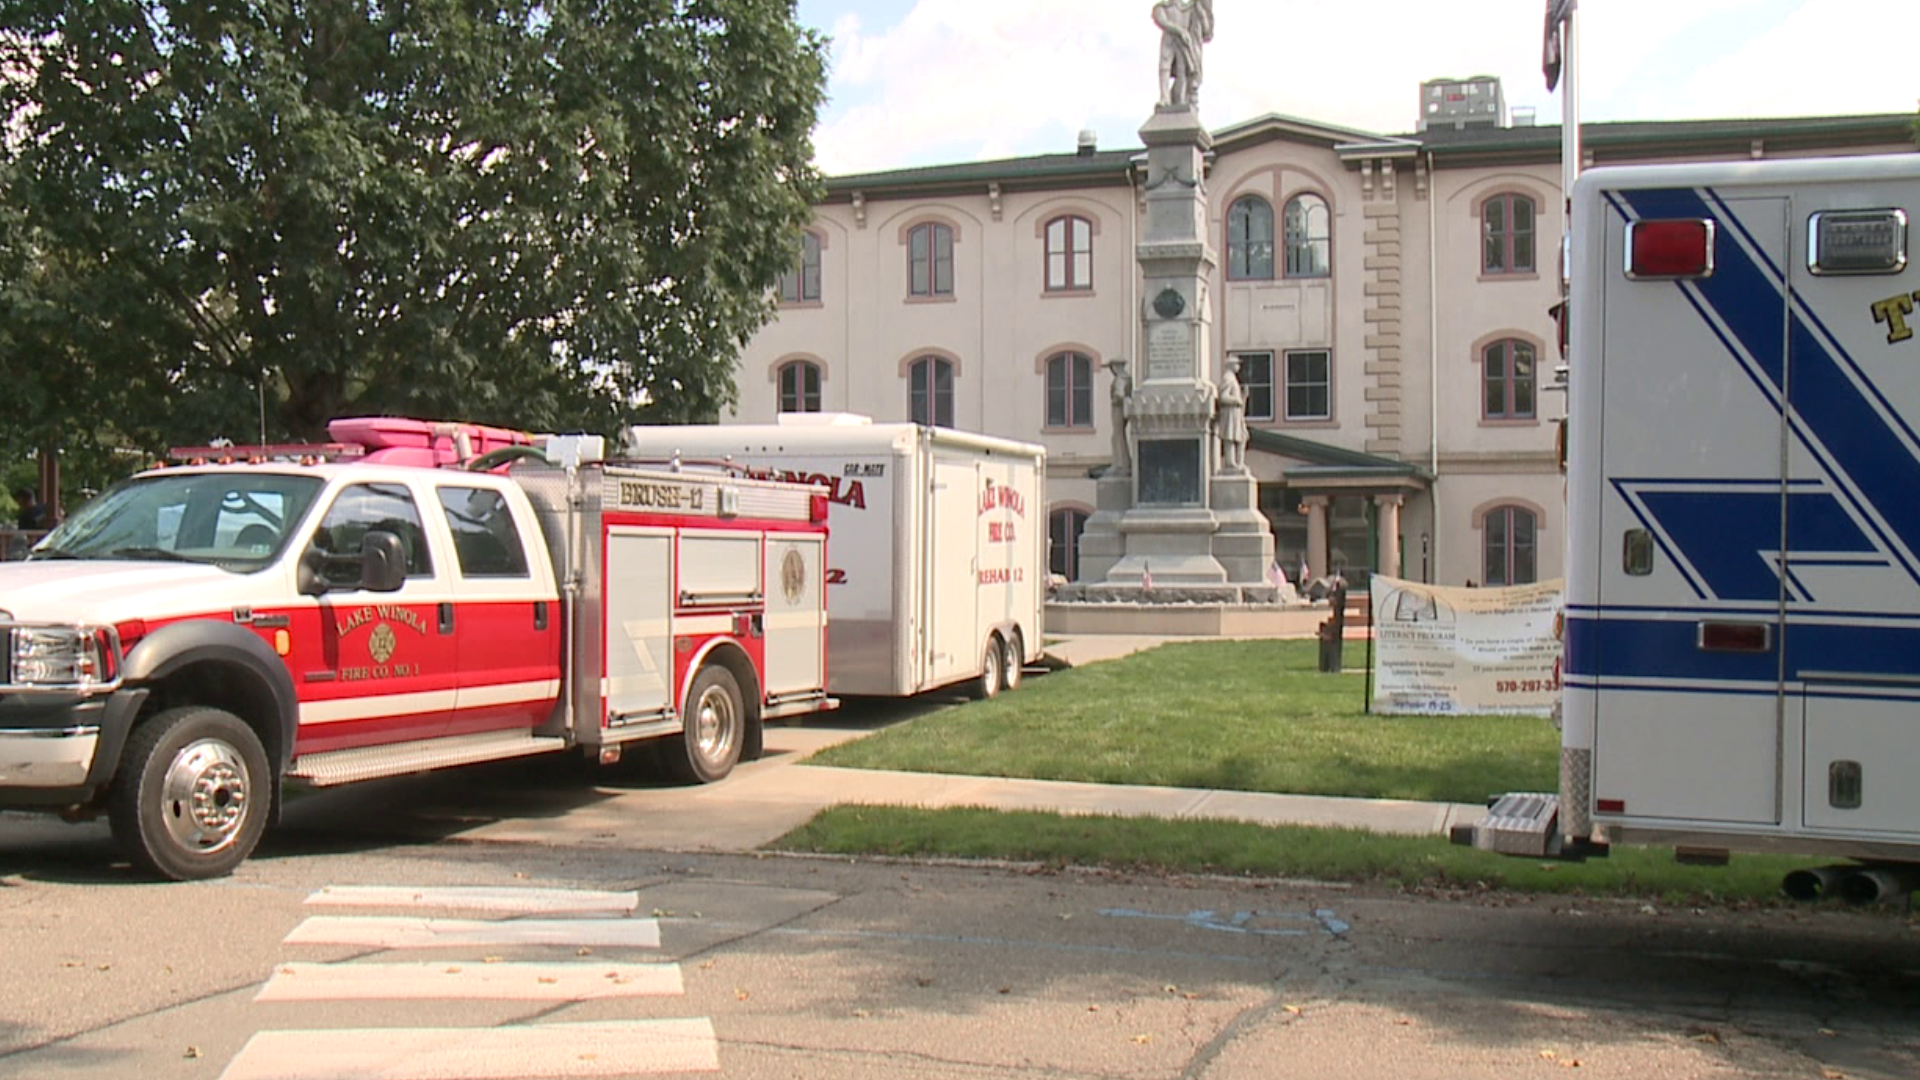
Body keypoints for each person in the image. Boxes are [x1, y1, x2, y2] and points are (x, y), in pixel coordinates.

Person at [1152, 0, 1214, 109]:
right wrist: (1180, 31)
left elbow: (1205, 30)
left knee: (1182, 72)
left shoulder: (1188, 9)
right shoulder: (1162, 7)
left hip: (1182, 46)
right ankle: (1165, 99)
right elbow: (1161, 20)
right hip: (1169, 42)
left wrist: (1201, 11)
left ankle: (1180, 100)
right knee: (1164, 68)